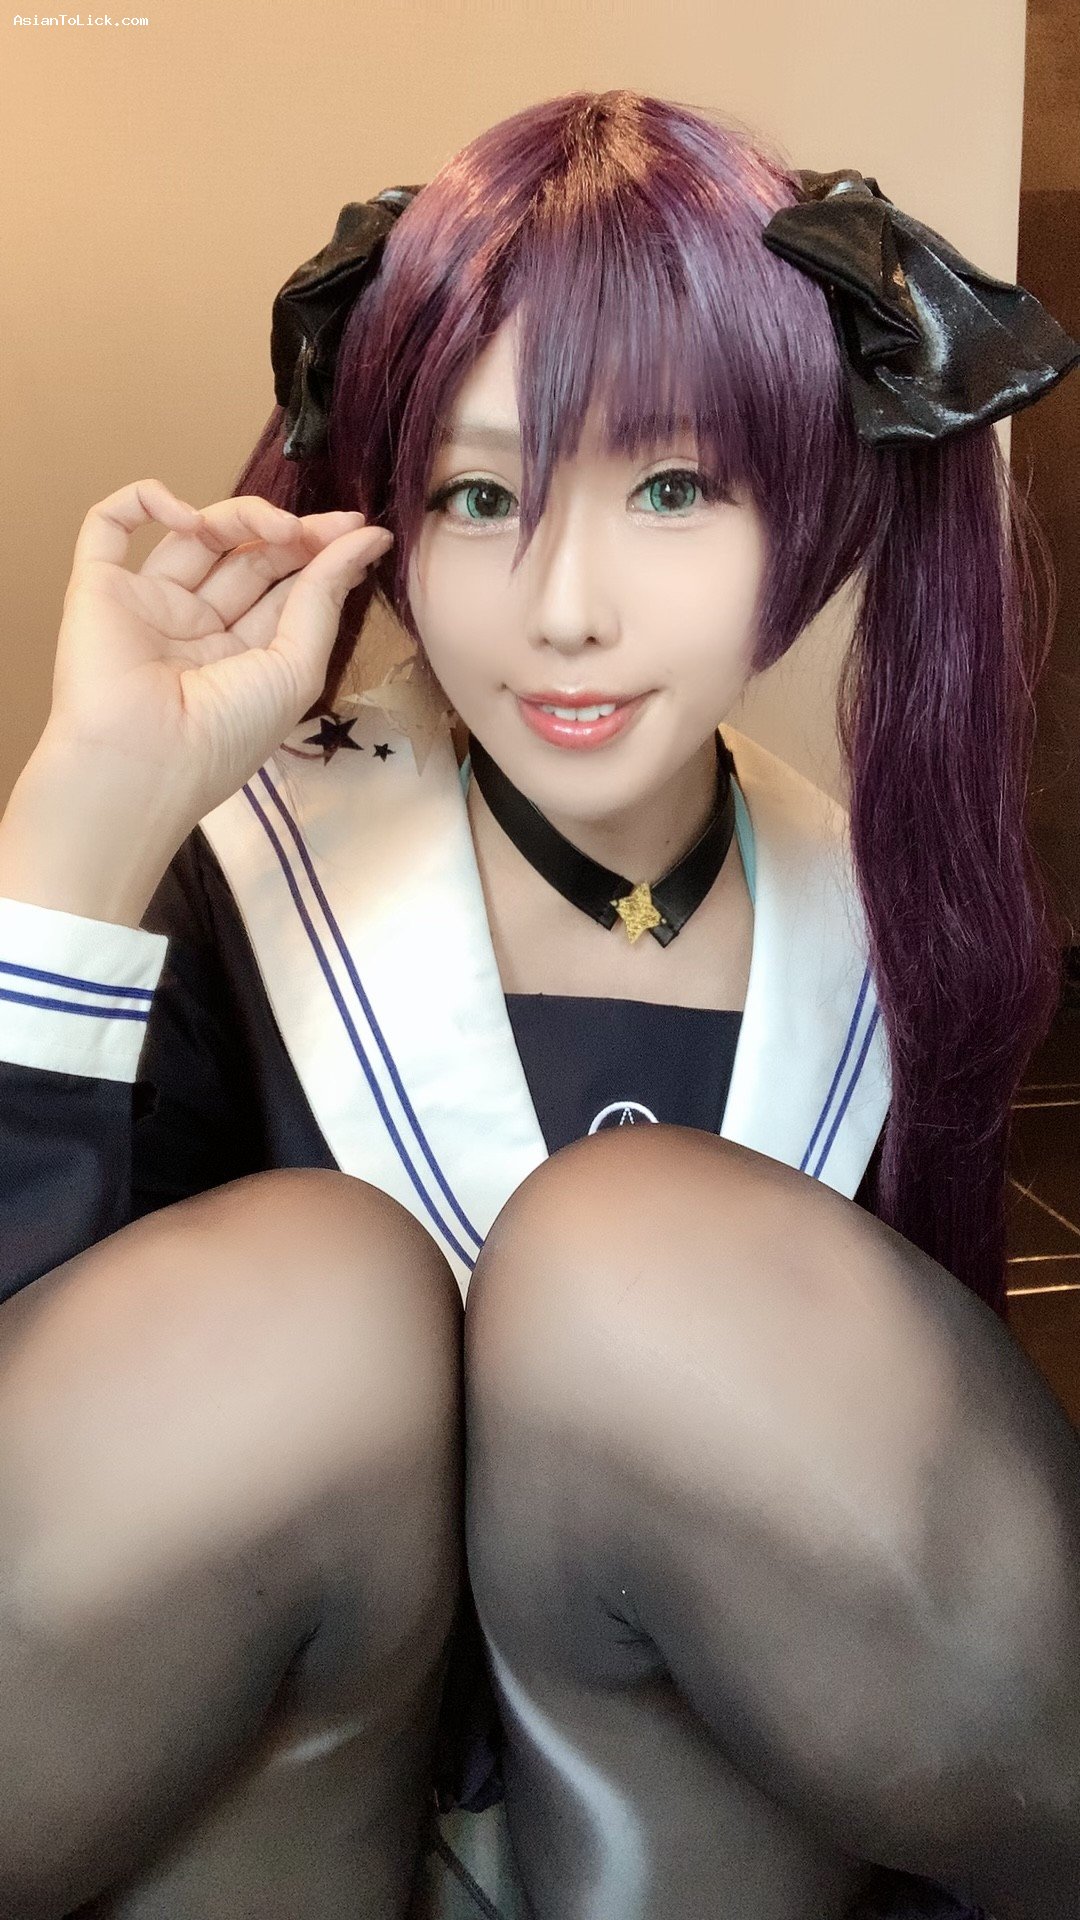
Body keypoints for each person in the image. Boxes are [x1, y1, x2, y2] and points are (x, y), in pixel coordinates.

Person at [0, 86, 1077, 1920]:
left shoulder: (886, 928)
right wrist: (89, 816)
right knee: (308, 1297)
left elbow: (899, 1577)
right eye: (481, 496)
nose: (565, 608)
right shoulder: (239, 869)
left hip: (704, 1836)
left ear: (814, 507)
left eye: (671, 489)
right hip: (244, 1823)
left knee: (640, 1257)